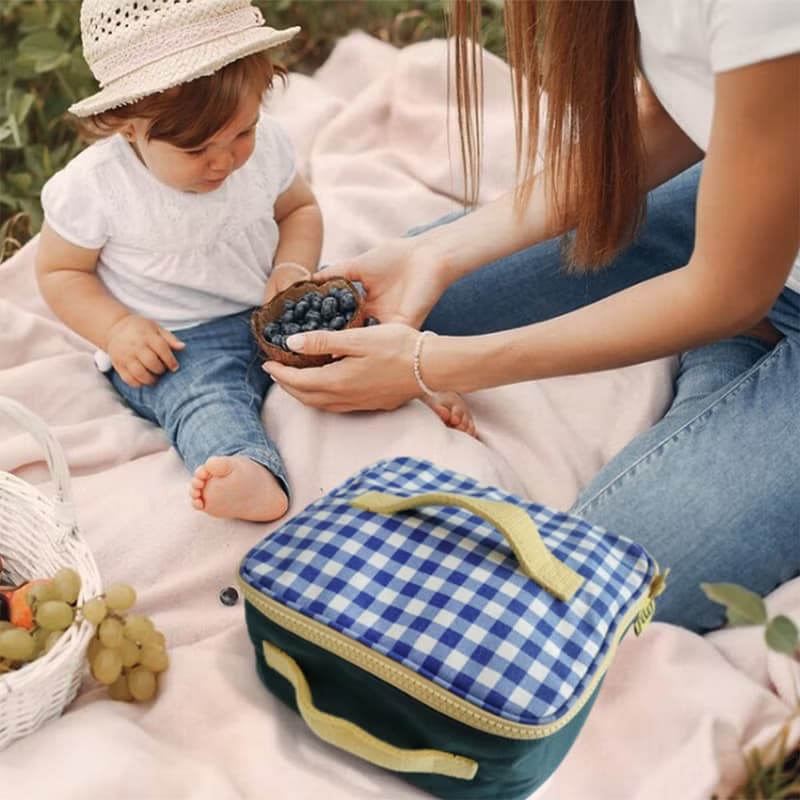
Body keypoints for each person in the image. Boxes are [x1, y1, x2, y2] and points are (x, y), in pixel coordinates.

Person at [262, 0, 800, 631]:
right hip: (755, 203)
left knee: (593, 587)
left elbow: (727, 293)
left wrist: (429, 365)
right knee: (399, 309)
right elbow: (675, 117)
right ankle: (732, 353)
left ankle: (732, 358)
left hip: (742, 271)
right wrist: (434, 254)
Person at [34, 0, 477, 524]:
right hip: (179, 339)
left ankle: (409, 380)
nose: (225, 160)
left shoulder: (264, 147)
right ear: (128, 127)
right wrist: (117, 329)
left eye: (241, 133)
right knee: (200, 399)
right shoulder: (96, 188)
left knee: (356, 324)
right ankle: (243, 466)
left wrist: (290, 269)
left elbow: (299, 209)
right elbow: (60, 272)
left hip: (272, 300)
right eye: (198, 150)